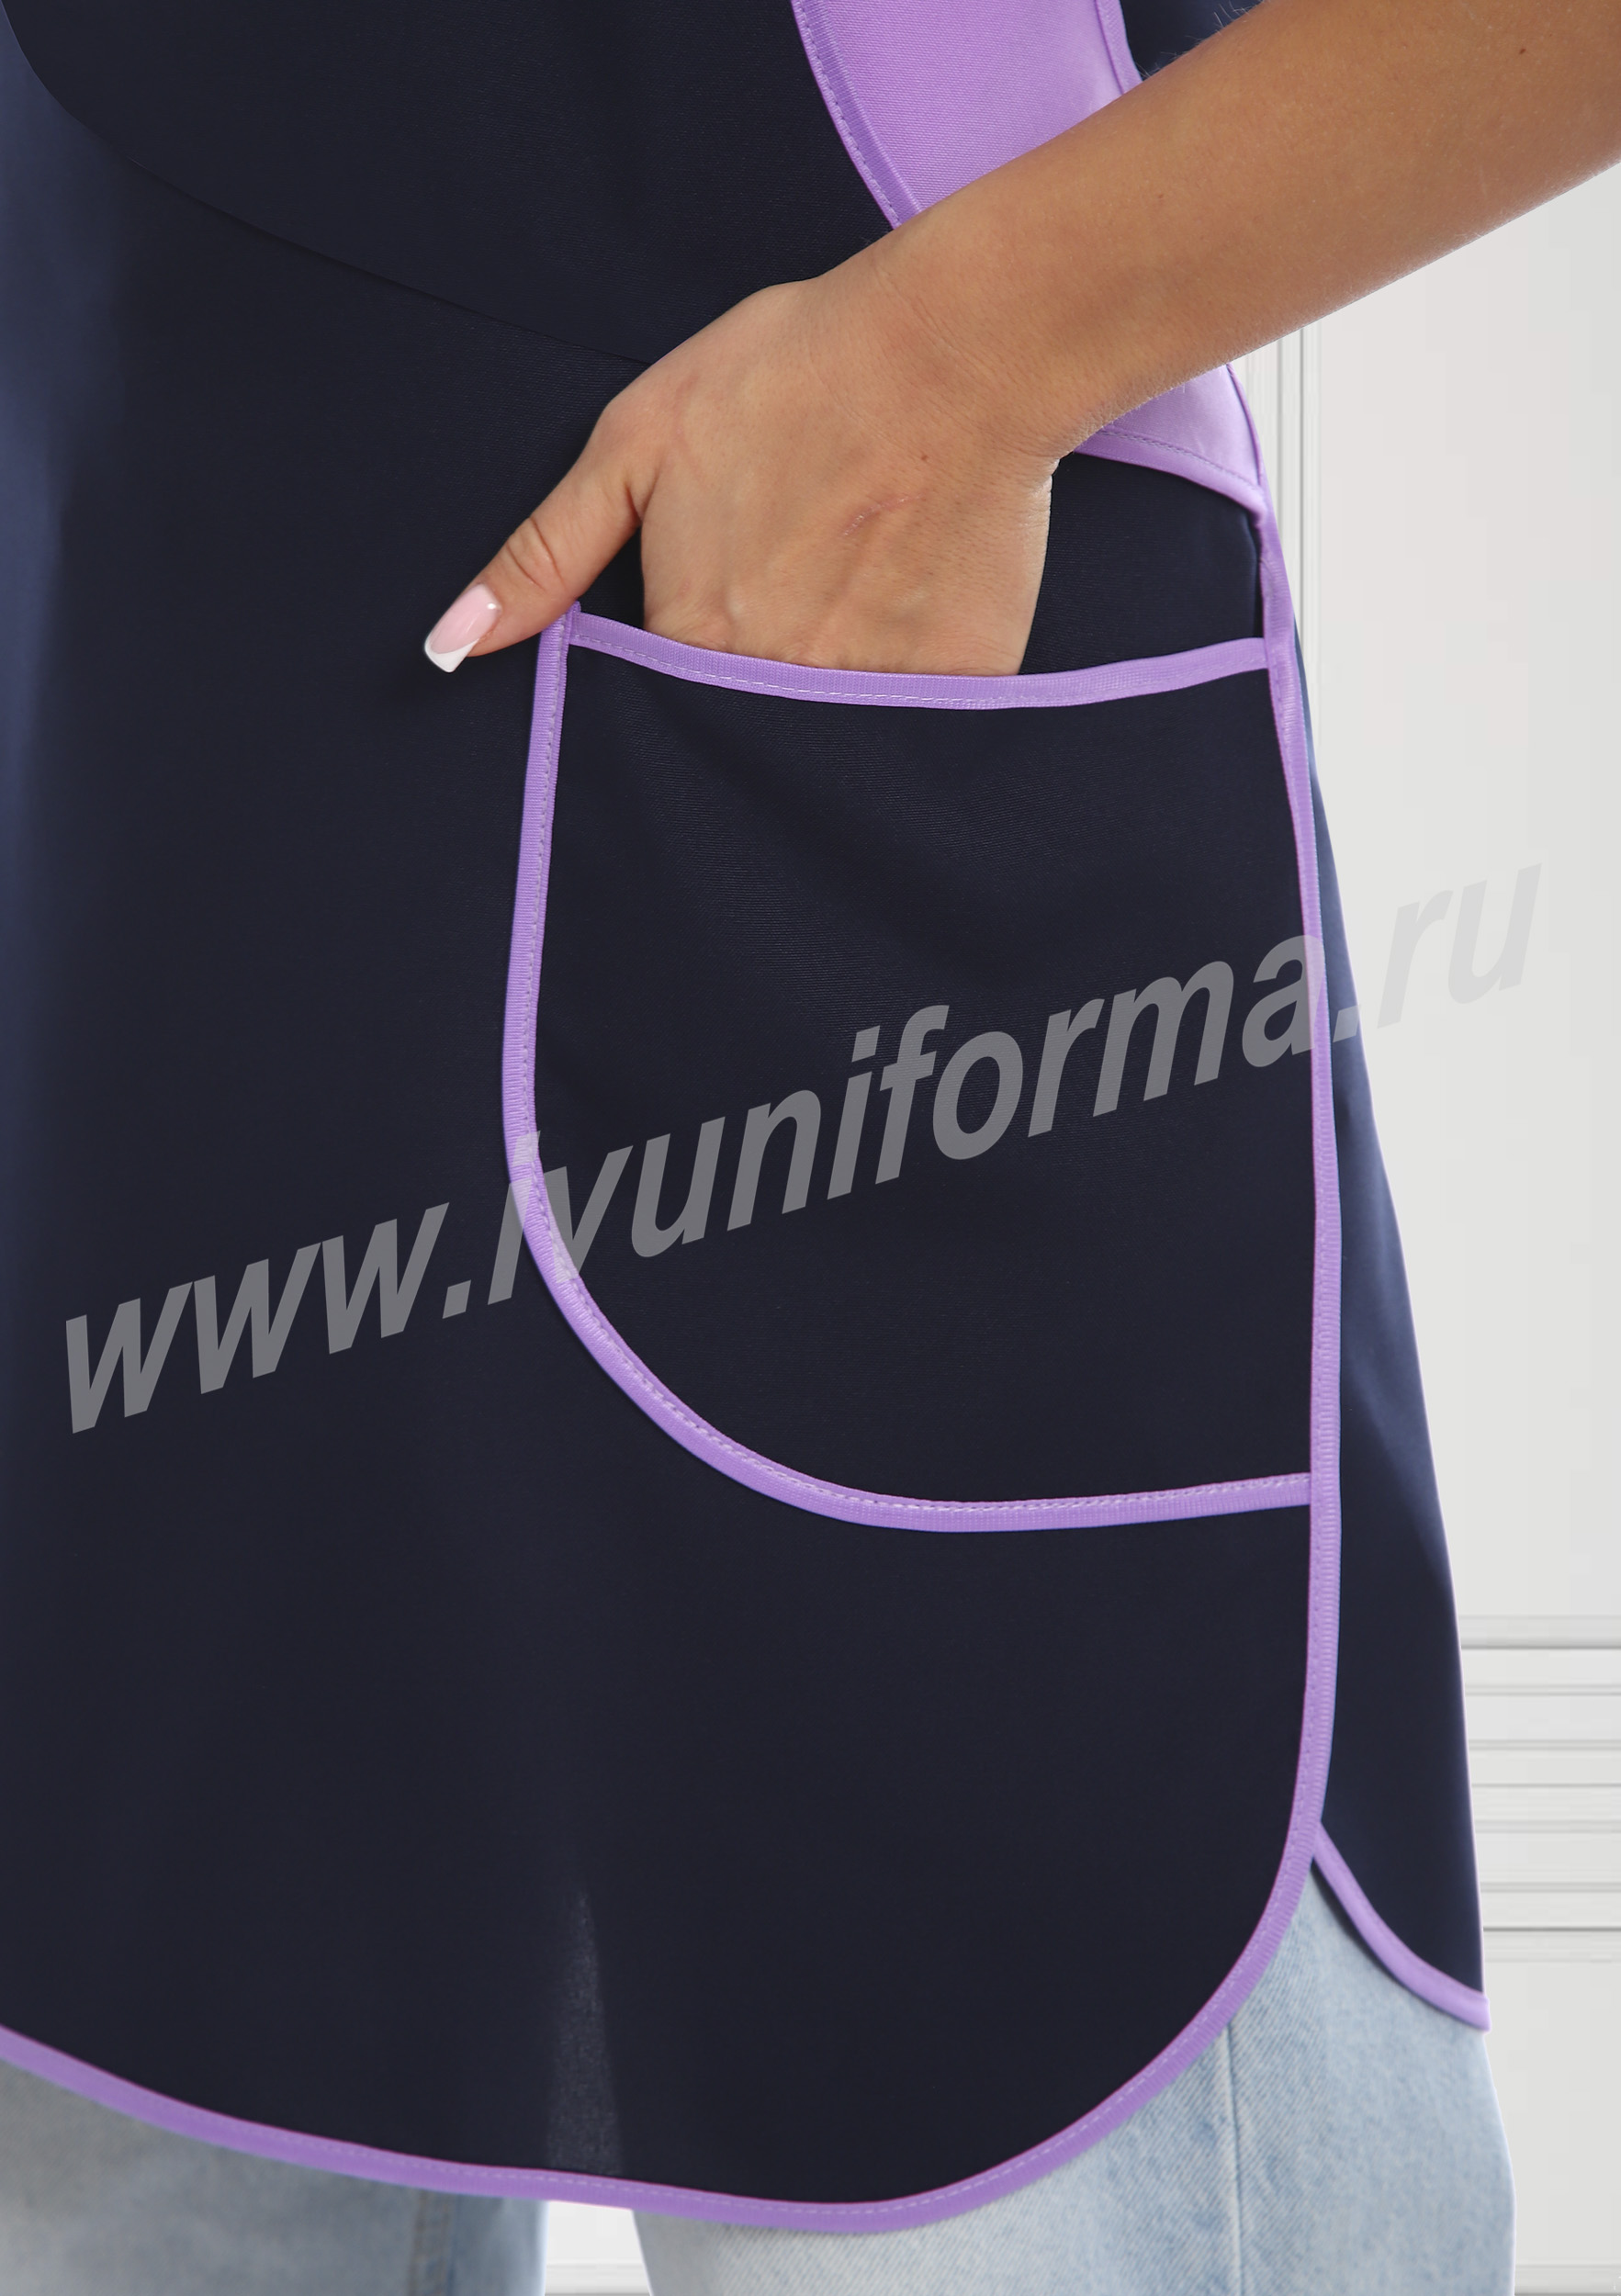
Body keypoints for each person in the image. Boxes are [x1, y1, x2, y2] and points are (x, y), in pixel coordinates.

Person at [0, 0, 1615, 2289]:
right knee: (142, 2154)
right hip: (130, 801)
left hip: (855, 754)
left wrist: (964, 355)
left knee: (1022, 2153)